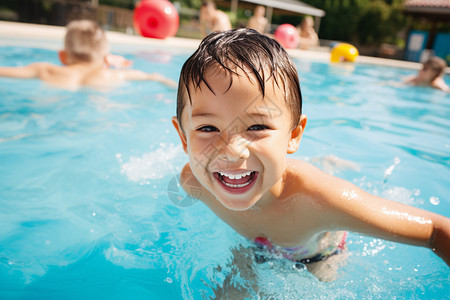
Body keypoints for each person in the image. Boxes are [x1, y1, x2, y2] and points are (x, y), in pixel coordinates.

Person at [171, 28, 450, 281]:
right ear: (184, 138)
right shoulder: (192, 183)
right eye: (208, 128)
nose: (232, 152)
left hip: (316, 257)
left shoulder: (320, 200)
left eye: (257, 126)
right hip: (253, 246)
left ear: (293, 135)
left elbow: (437, 230)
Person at [0, 20, 177, 91]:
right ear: (106, 58)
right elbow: (155, 77)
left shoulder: (44, 69)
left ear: (63, 56)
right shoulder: (116, 74)